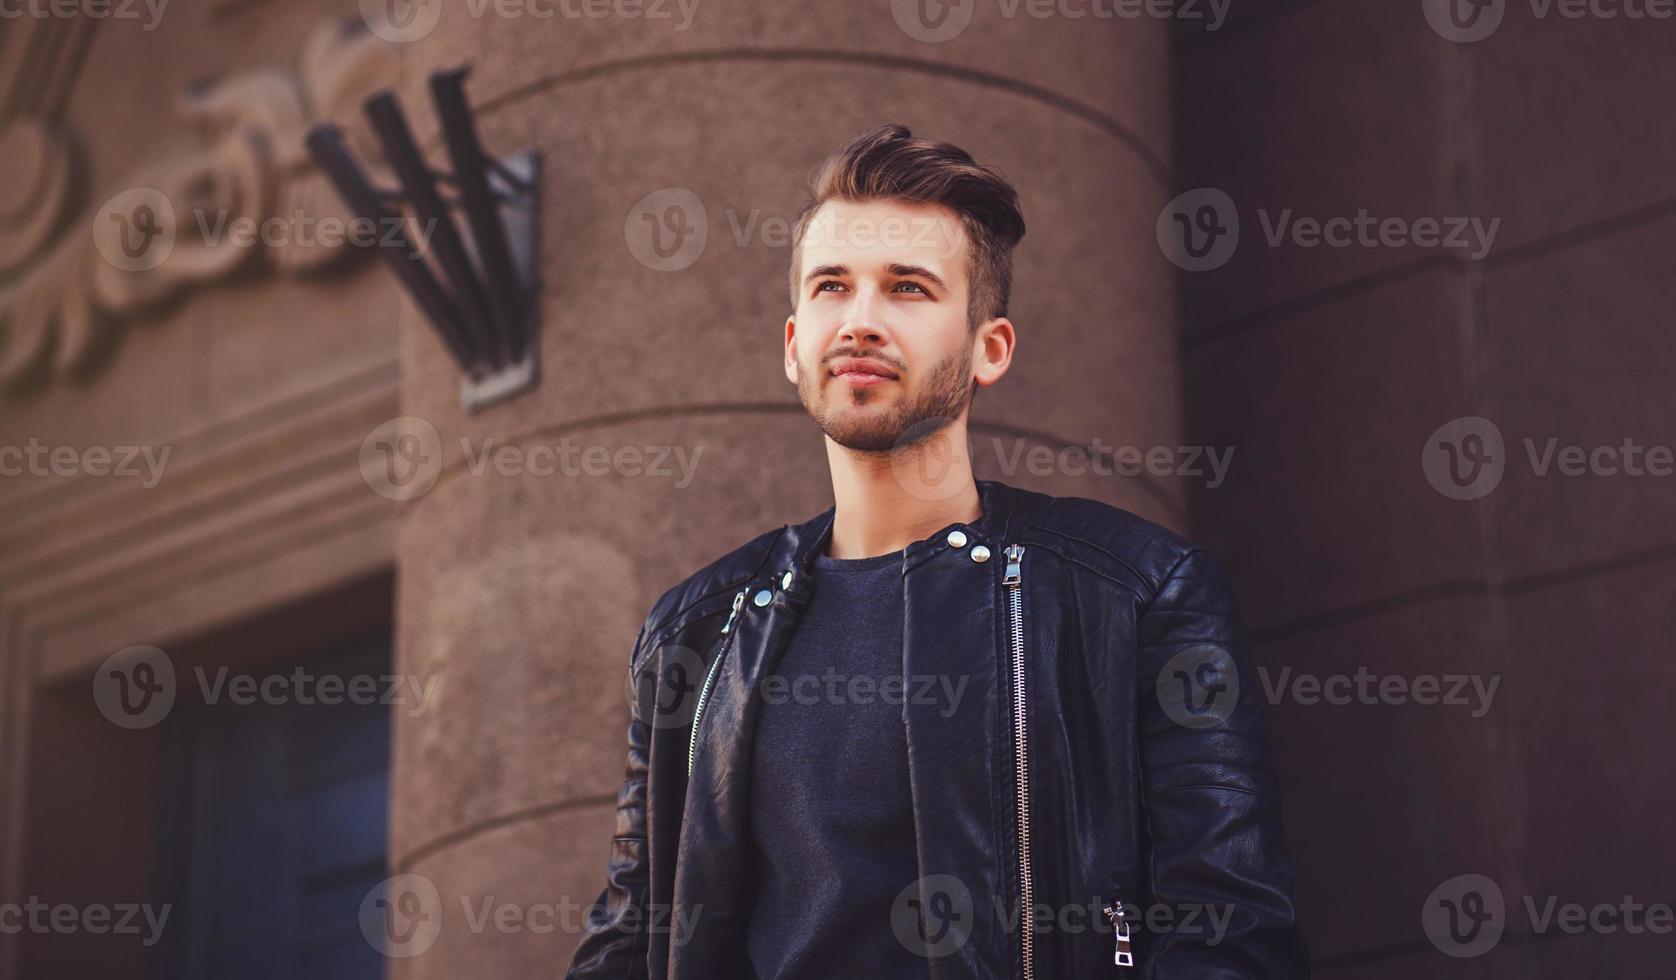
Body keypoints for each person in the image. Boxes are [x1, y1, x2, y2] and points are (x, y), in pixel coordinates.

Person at [566, 123, 1308, 979]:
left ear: (989, 348)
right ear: (792, 344)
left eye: (908, 288)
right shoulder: (694, 636)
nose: (861, 321)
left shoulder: (1137, 594)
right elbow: (626, 946)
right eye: (832, 287)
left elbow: (1233, 933)